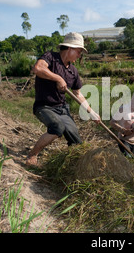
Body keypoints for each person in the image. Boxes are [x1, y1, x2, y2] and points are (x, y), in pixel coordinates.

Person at [26, 32, 100, 167]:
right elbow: (37, 68)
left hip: (62, 109)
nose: (79, 55)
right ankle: (32, 155)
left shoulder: (73, 71)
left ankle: (73, 166)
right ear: (70, 48)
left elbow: (78, 94)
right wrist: (58, 78)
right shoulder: (50, 57)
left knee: (76, 142)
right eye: (78, 51)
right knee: (57, 127)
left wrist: (91, 112)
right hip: (44, 106)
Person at [110, 88, 134, 157]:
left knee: (133, 160)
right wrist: (123, 131)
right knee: (128, 159)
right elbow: (112, 122)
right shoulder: (123, 108)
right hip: (124, 140)